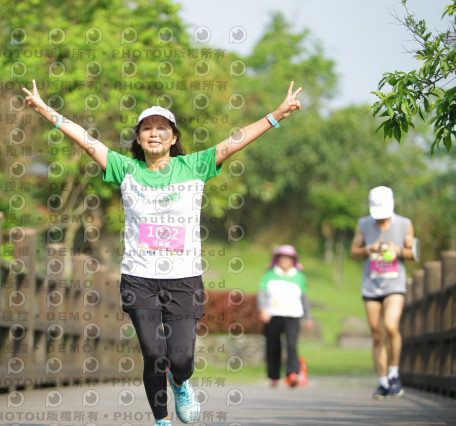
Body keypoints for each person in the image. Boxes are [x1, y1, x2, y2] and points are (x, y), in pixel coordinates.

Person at [23, 79, 302, 425]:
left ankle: (181, 383)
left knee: (180, 359)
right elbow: (85, 139)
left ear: (173, 137)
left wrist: (277, 114)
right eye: (147, 128)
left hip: (183, 278)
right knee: (154, 353)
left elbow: (236, 141)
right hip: (139, 278)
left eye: (161, 128)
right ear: (139, 138)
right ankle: (160, 420)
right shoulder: (126, 169)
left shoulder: (194, 166)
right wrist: (45, 110)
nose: (154, 133)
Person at [350, 186, 415, 399]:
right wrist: (369, 249)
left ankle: (394, 373)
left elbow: (413, 254)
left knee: (390, 325)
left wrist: (398, 250)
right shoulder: (363, 224)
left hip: (395, 284)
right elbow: (353, 252)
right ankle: (382, 382)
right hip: (371, 284)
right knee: (377, 334)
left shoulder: (404, 223)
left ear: (393, 204)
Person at [257, 244, 312, 388]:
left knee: (292, 344)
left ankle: (292, 373)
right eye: (283, 258)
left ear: (293, 260)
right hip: (273, 315)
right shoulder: (269, 274)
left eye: (288, 259)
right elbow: (262, 293)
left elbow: (304, 298)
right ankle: (274, 376)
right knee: (273, 346)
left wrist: (308, 317)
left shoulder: (299, 276)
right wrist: (262, 309)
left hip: (293, 315)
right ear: (278, 259)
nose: (285, 261)